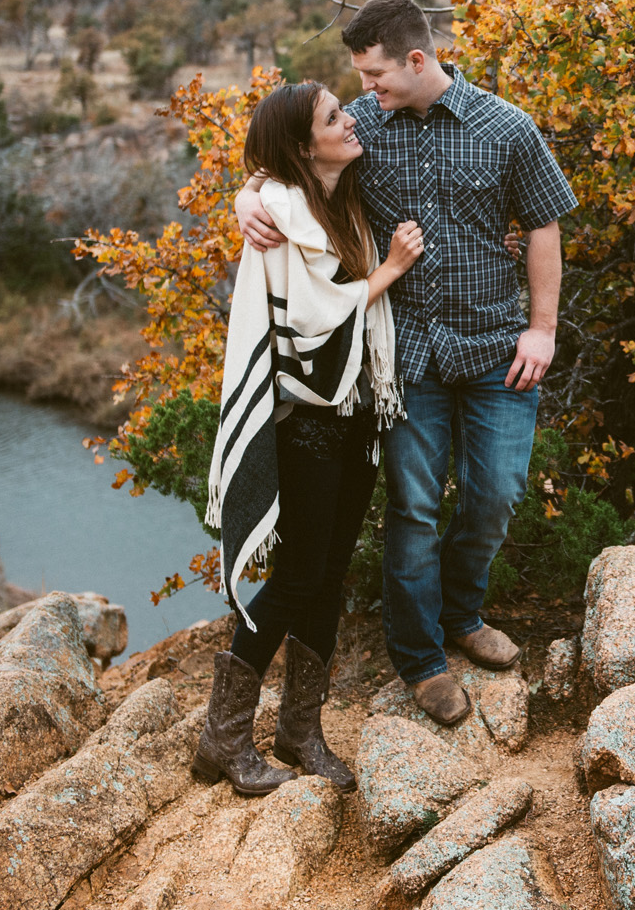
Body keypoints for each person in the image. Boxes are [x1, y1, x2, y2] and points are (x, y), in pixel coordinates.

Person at [237, 0, 576, 727]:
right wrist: (248, 195)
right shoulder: (366, 134)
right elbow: (295, 166)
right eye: (360, 78)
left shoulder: (507, 128)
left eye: (374, 74)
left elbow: (544, 223)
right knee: (414, 509)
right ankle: (420, 659)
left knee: (494, 496)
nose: (364, 90)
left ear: (417, 60)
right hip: (407, 359)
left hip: (496, 347)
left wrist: (542, 329)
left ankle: (463, 614)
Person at [197, 80, 425, 795]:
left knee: (327, 575)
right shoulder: (283, 209)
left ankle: (300, 731)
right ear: (303, 146)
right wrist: (389, 269)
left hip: (356, 411)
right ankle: (222, 739)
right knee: (298, 575)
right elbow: (308, 318)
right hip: (305, 422)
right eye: (333, 116)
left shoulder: (333, 192)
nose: (349, 119)